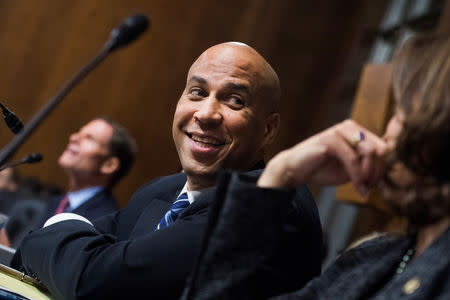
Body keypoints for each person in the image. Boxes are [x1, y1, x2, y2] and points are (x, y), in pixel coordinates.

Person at [13, 42, 323, 300]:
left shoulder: (268, 204)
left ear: (268, 130)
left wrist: (59, 235)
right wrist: (59, 240)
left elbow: (96, 282)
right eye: (198, 92)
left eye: (235, 100)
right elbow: (47, 247)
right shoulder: (163, 190)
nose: (206, 114)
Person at [181, 33, 450, 300]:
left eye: (402, 112)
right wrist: (280, 173)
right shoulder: (375, 257)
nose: (387, 131)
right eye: (198, 92)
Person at [3, 117, 137, 248]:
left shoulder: (105, 221)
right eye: (79, 132)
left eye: (89, 138)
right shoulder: (53, 203)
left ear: (109, 165)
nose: (73, 137)